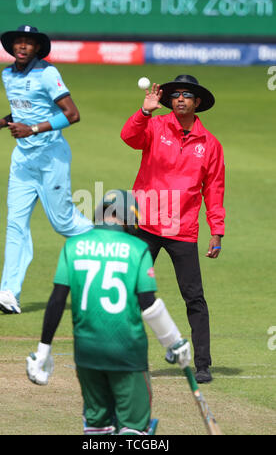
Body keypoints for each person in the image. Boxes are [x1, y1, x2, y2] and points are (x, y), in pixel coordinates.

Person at [26, 189, 191, 435]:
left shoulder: (73, 246)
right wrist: (174, 341)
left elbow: (57, 300)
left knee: (97, 427)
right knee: (134, 430)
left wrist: (43, 351)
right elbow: (149, 304)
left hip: (87, 353)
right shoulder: (138, 249)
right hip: (127, 353)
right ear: (127, 218)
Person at [120, 75, 225, 383]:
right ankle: (122, 355)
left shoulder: (210, 144)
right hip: (146, 223)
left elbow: (214, 189)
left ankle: (203, 364)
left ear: (197, 103)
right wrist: (144, 112)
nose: (180, 98)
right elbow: (129, 137)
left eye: (187, 95)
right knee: (129, 291)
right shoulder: (154, 126)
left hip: (182, 229)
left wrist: (216, 230)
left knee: (194, 297)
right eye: (176, 94)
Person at [0, 25, 93, 314]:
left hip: (50, 158)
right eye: (18, 42)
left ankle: (106, 243)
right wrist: (2, 122)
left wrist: (31, 130)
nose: (22, 46)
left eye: (28, 43)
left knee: (64, 223)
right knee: (15, 225)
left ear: (36, 48)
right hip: (22, 161)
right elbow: (25, 110)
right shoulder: (7, 74)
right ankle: (9, 293)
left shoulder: (48, 73)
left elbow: (72, 114)